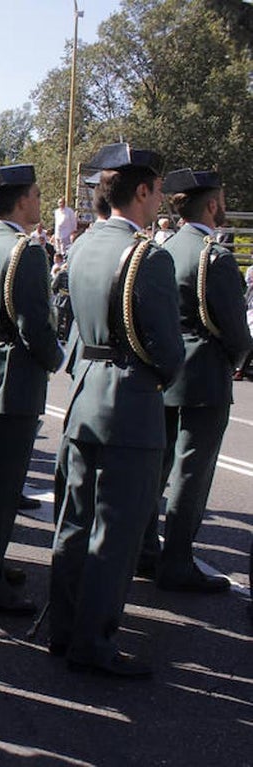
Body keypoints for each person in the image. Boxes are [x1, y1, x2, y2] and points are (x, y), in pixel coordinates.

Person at [50, 143, 184, 679]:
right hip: (129, 399)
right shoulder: (147, 254)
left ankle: (64, 629)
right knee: (118, 531)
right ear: (143, 191)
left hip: (86, 394)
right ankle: (94, 643)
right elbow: (167, 349)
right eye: (157, 192)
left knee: (75, 520)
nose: (159, 203)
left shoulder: (82, 246)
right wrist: (160, 377)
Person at [141, 169, 252, 591]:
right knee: (193, 472)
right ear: (210, 204)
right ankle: (177, 562)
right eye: (221, 199)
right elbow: (237, 332)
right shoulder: (214, 256)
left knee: (158, 466)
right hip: (206, 375)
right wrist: (236, 360)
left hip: (165, 371)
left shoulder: (163, 247)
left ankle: (145, 550)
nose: (223, 205)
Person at [0, 165, 63, 615]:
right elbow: (34, 325)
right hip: (13, 377)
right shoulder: (26, 251)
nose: (41, 203)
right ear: (22, 201)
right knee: (2, 487)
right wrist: (59, 360)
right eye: (37, 196)